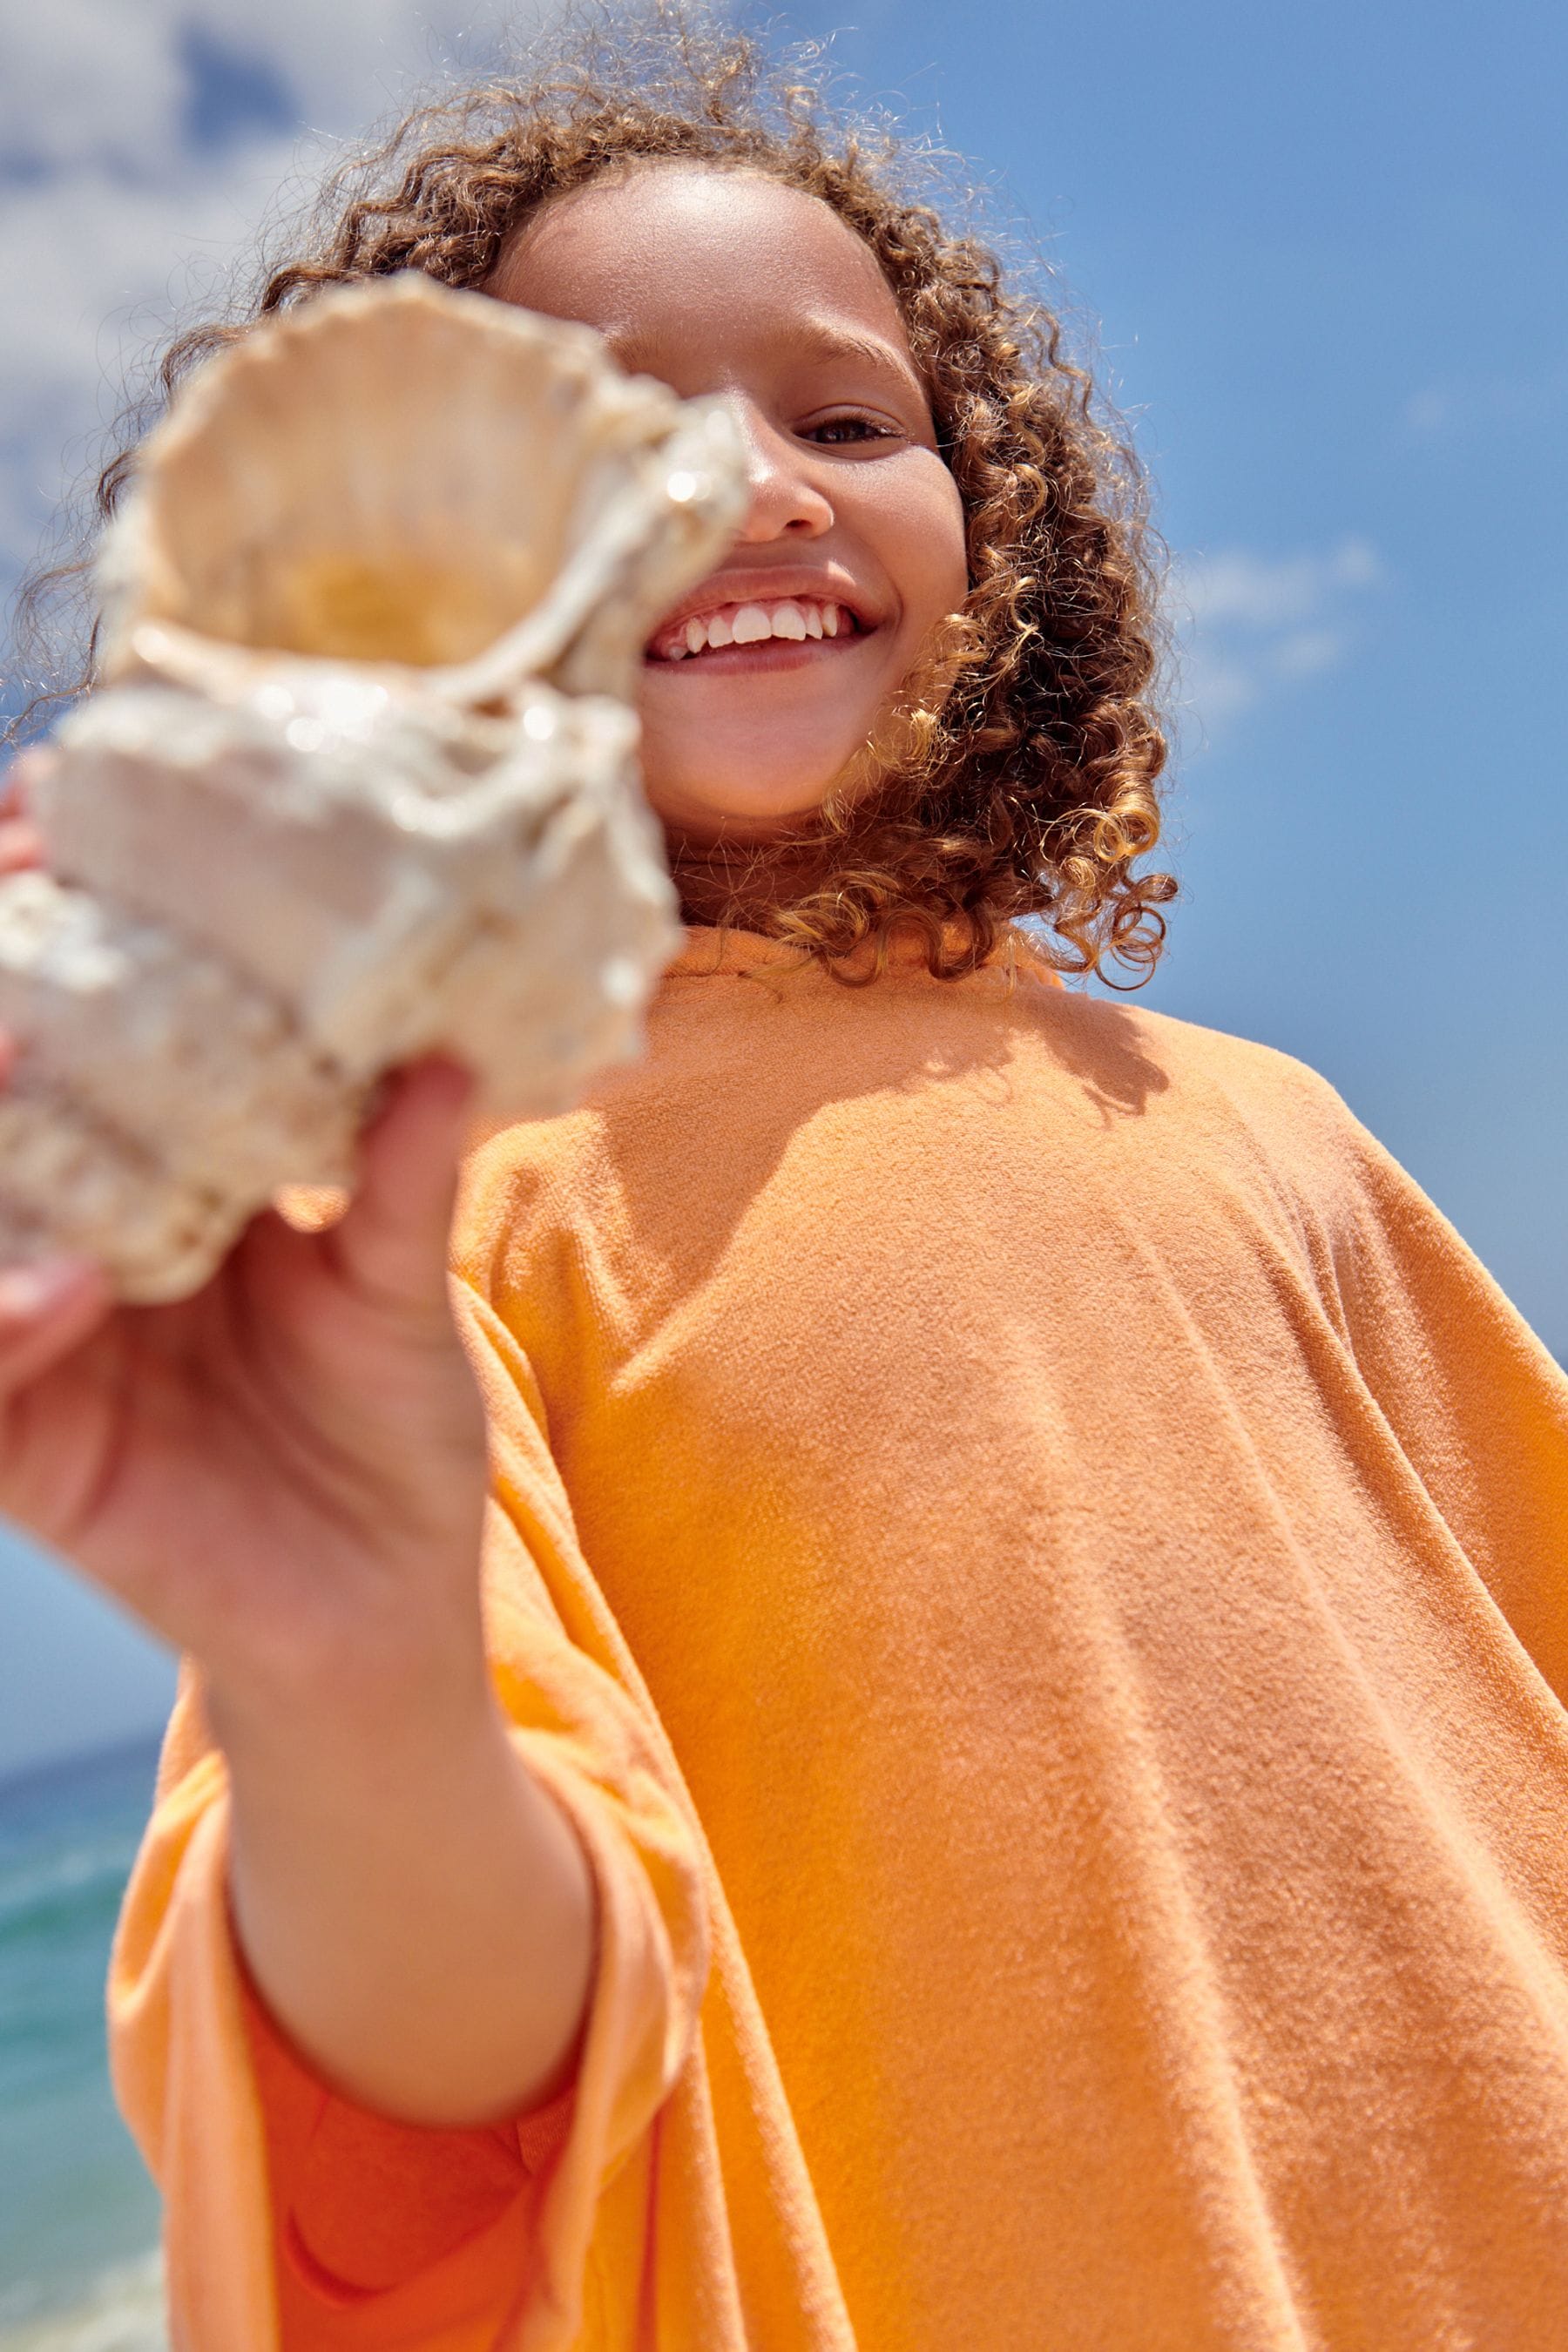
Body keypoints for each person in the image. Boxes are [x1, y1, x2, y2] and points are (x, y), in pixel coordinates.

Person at [4, 17, 1568, 2351]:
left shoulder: (1269, 1129)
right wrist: (350, 1683)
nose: (753, 488)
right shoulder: (436, 1237)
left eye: (848, 420)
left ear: (999, 533)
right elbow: (442, 2105)